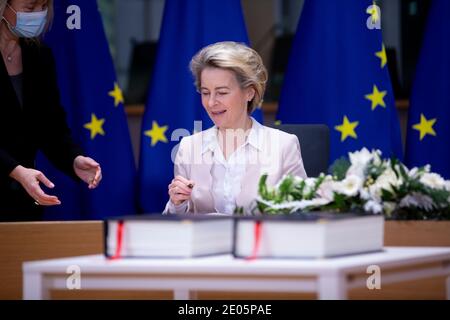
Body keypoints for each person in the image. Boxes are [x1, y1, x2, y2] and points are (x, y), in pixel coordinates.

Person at [164, 41, 307, 215]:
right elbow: (177, 228)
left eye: (222, 92)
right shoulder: (188, 147)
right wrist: (177, 203)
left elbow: (302, 216)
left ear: (249, 92)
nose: (211, 102)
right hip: (206, 242)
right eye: (205, 92)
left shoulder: (284, 145)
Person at [0, 0, 101, 221]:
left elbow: (51, 126)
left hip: (23, 201)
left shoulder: (39, 55)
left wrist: (73, 159)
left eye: (43, 6)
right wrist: (16, 170)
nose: (38, 14)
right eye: (29, 8)